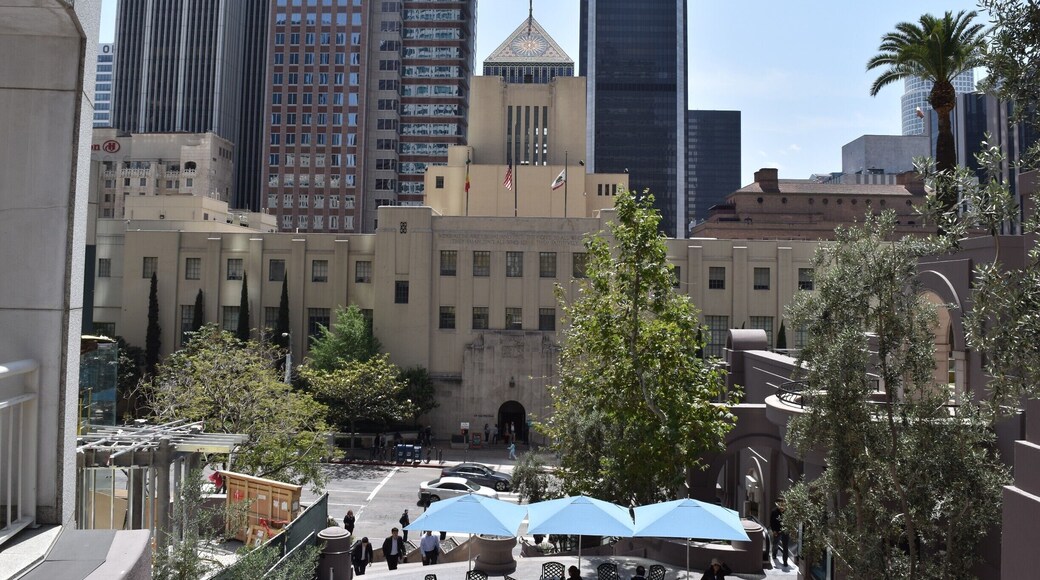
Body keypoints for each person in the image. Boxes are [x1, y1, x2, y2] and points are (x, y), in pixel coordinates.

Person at [770, 501, 789, 566]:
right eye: (780, 505)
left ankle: (785, 561)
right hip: (777, 530)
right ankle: (774, 554)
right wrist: (774, 530)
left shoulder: (787, 512)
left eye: (783, 505)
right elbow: (772, 522)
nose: (782, 507)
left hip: (785, 531)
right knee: (775, 543)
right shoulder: (774, 511)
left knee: (785, 546)